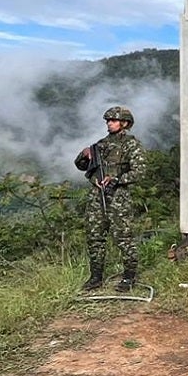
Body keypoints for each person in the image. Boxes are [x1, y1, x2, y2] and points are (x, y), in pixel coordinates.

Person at [74, 106, 147, 292]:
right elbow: (81, 166)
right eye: (108, 121)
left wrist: (117, 180)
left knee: (124, 238)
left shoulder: (131, 145)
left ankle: (129, 277)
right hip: (97, 198)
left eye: (113, 120)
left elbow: (140, 171)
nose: (109, 123)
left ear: (124, 123)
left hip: (118, 198)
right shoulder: (100, 145)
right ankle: (96, 277)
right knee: (95, 238)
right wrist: (83, 155)